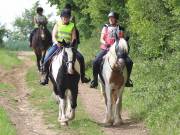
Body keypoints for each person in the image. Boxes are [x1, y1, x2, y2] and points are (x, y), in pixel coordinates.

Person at [40, 9, 90, 85]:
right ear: (61, 17)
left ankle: (83, 76)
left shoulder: (72, 25)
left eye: (67, 17)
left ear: (69, 18)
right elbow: (53, 36)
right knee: (47, 57)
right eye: (64, 17)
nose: (65, 18)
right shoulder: (57, 24)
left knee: (81, 57)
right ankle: (45, 76)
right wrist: (56, 42)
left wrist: (71, 44)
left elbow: (74, 38)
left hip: (68, 46)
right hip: (58, 45)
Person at [90, 11, 133, 88]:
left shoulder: (120, 28)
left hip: (118, 51)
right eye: (110, 18)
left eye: (112, 18)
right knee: (96, 61)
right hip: (106, 48)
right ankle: (95, 80)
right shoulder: (105, 27)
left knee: (129, 62)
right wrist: (105, 43)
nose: (110, 19)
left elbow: (122, 40)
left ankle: (127, 80)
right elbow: (101, 39)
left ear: (116, 19)